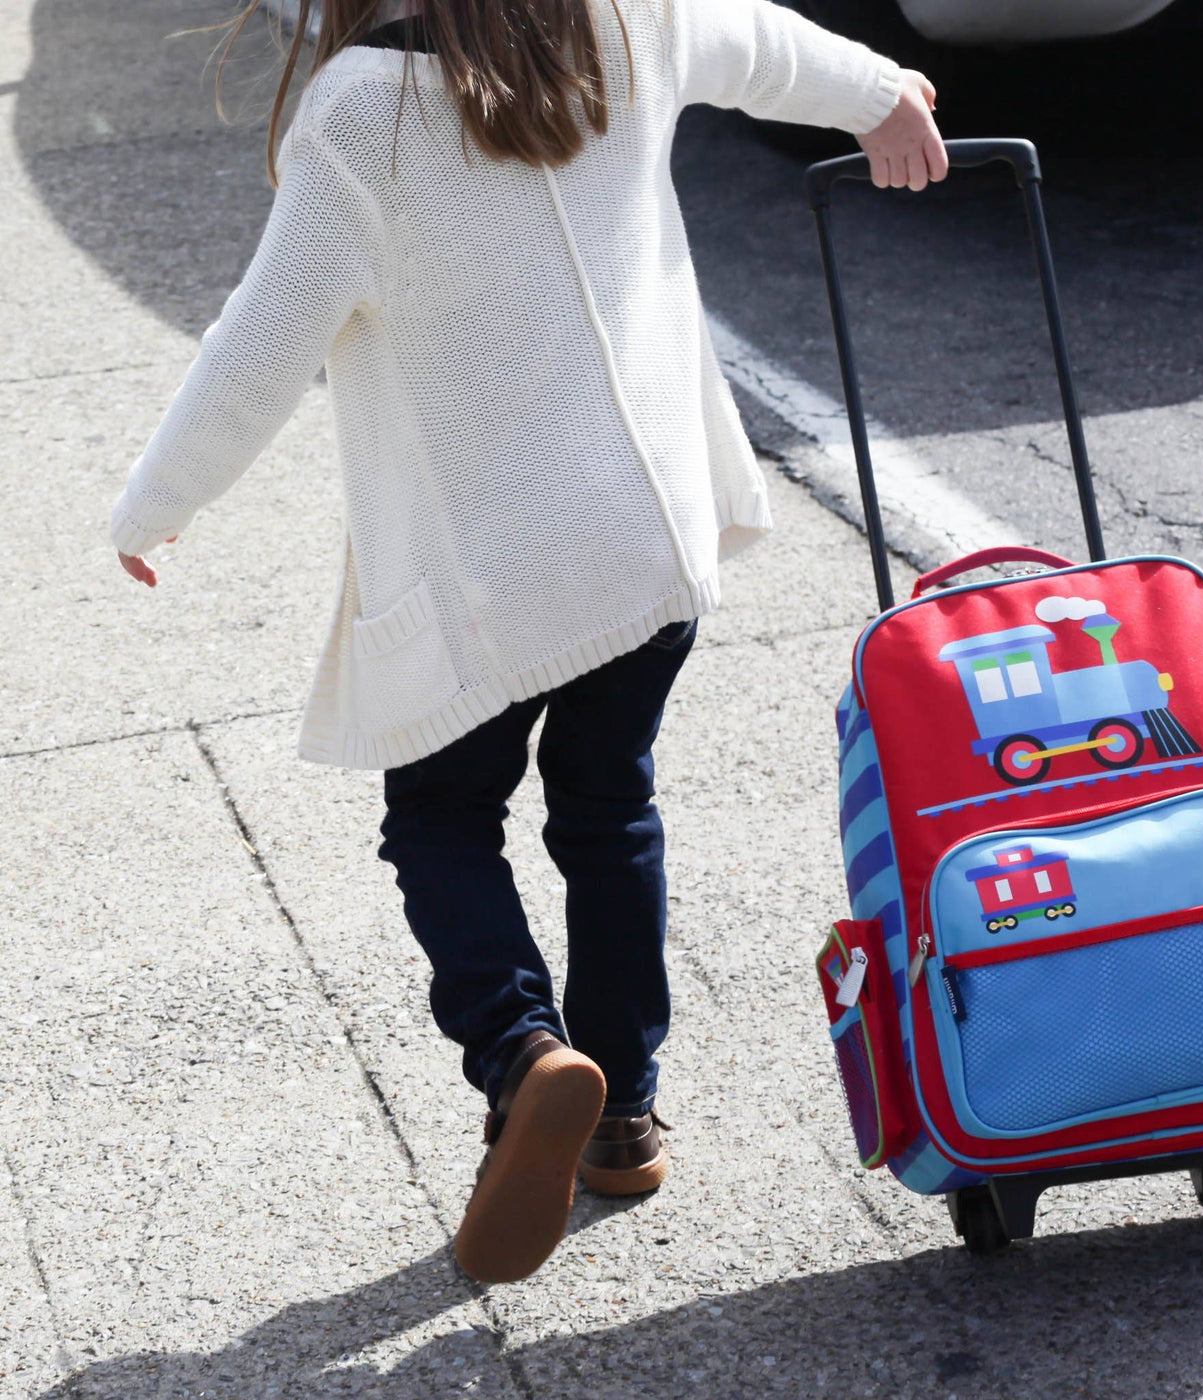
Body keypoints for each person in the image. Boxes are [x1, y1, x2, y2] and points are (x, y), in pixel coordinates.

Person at [110, 0, 947, 1284]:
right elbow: (771, 47)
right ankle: (619, 1115)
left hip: (493, 572)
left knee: (440, 817)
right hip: (648, 533)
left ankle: (522, 1051)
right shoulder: (629, 21)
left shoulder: (362, 113)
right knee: (608, 806)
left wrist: (156, 502)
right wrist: (885, 92)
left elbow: (257, 350)